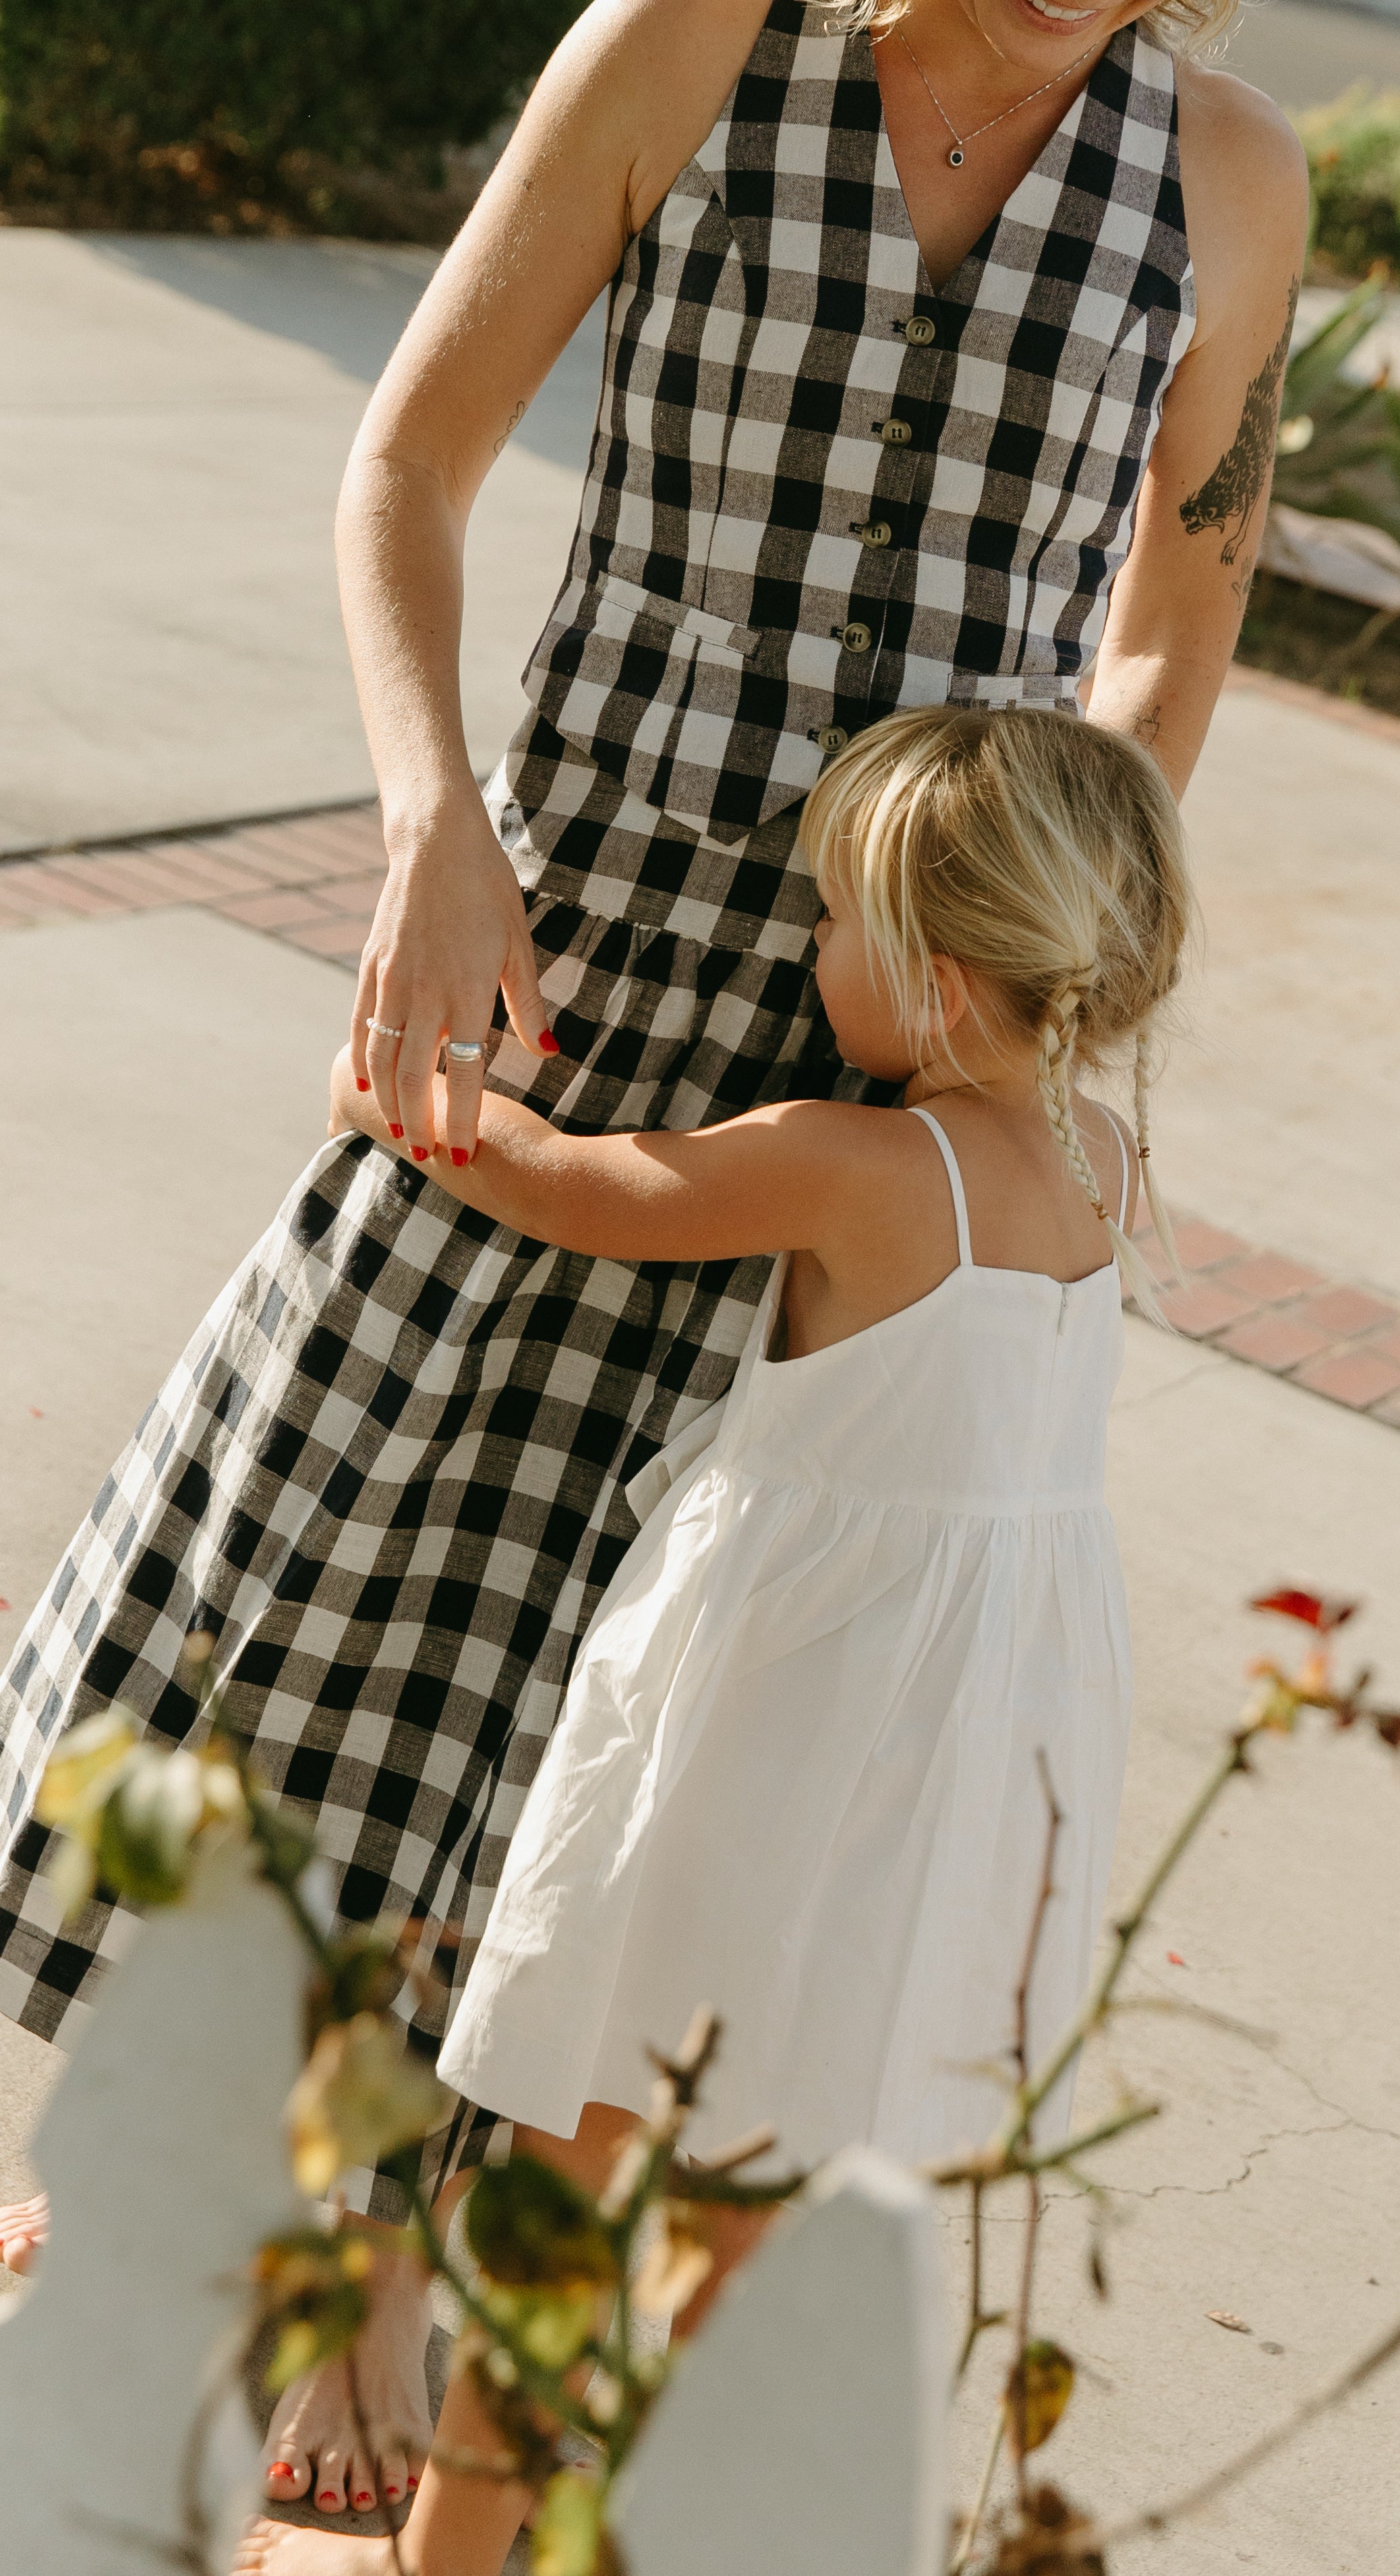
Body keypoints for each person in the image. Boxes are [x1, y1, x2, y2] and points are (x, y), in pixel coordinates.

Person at [0, 0, 1306, 2519]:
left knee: (657, 1697)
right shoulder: (695, 38)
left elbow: (1174, 626)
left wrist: (1023, 935)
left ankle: (392, 2251)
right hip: (558, 973)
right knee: (368, 1580)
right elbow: (413, 462)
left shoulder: (1229, 181)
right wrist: (426, 819)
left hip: (876, 1056)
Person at [239, 699, 1191, 2575]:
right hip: (957, 1781)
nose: (806, 949)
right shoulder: (1107, 1175)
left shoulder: (850, 1161)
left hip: (766, 1744)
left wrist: (400, 1101)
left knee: (562, 2198)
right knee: (757, 2228)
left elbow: (576, 1189)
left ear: (924, 972)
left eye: (833, 920)